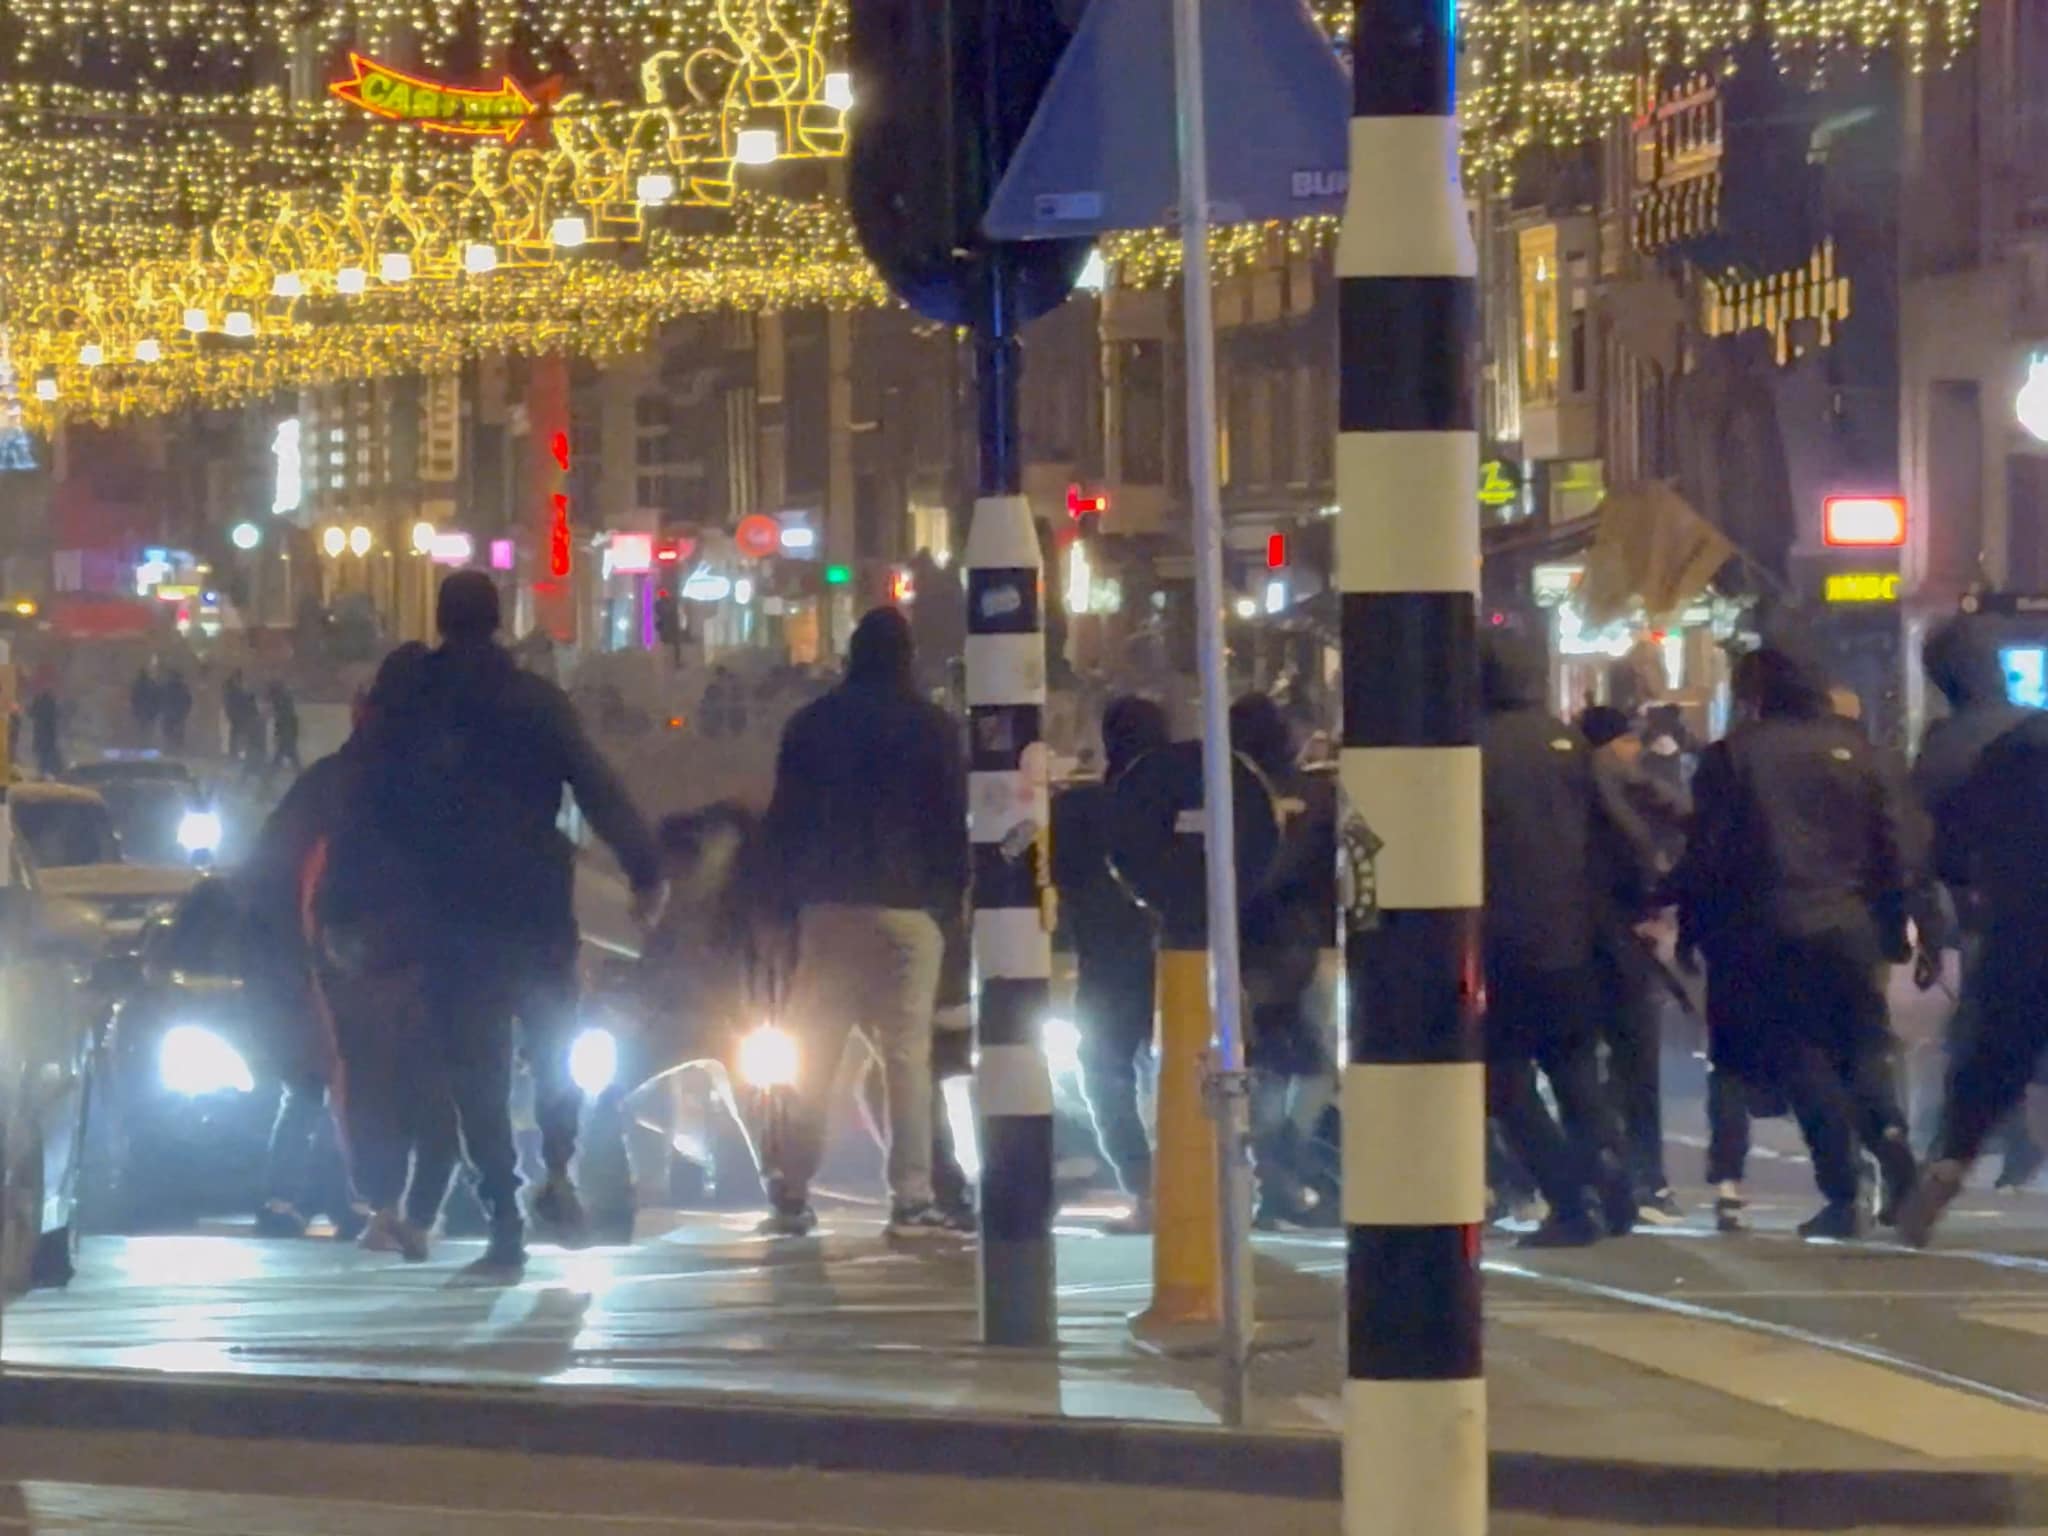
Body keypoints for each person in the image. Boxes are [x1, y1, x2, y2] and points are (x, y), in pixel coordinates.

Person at [344, 573, 666, 1280]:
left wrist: (362, 905)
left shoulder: (416, 708)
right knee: (555, 1049)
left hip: (451, 914)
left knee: (476, 1074)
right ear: (497, 622)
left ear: (440, 619)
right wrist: (645, 868)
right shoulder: (536, 703)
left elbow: (370, 806)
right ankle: (557, 1164)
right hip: (536, 908)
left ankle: (503, 1219)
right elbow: (597, 786)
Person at [1668, 644, 1917, 1241]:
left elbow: (1710, 854)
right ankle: (1893, 1148)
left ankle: (1842, 1190)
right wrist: (1897, 925)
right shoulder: (1863, 752)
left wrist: (1694, 928)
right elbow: (1896, 847)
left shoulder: (1734, 757)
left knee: (1802, 1056)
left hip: (1768, 926)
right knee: (1862, 1046)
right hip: (1850, 924)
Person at [753, 606, 968, 1240]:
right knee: (906, 1056)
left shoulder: (811, 725)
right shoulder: (933, 728)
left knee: (814, 1055)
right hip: (907, 909)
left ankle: (791, 1190)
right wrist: (948, 903)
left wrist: (778, 908)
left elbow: (783, 822)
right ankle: (910, 1198)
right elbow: (950, 822)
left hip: (826, 910)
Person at [1479, 632, 1636, 1249]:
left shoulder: (1469, 744)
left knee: (1507, 1081)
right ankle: (1614, 1185)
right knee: (1576, 1073)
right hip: (1572, 934)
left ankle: (1569, 1199)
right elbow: (1617, 834)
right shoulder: (1568, 743)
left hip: (1499, 937)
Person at [1899, 706, 2048, 1244]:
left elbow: (1952, 837)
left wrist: (1974, 886)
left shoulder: (2017, 747)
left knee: (1994, 1052)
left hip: (2025, 923)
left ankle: (1948, 1167)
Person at [1911, 618, 2040, 1191]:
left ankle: (1951, 1154)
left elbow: (1935, 847)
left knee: (1987, 1037)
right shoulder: (2033, 729)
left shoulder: (1947, 747)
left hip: (2007, 915)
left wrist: (1929, 923)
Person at [1051, 695, 1169, 1230]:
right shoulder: (1187, 801)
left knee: (1103, 1073)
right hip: (1184, 958)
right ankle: (1197, 1183)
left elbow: (1059, 877)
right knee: (1188, 1077)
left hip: (1107, 963)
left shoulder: (1080, 810)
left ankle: (1145, 1187)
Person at [1230, 691, 1340, 1228]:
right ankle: (1287, 1159)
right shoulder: (1317, 792)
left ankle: (1275, 1174)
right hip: (1311, 942)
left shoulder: (1231, 793)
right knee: (1315, 1064)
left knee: (1267, 1067)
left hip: (1249, 947)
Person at [1579, 704, 1688, 1220]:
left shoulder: (1571, 785)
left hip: (1579, 940)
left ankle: (1603, 1173)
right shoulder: (1614, 782)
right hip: (1621, 940)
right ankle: (1644, 1179)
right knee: (1635, 1063)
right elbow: (1668, 826)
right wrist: (1657, 898)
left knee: (1586, 1064)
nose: (1636, 751)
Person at [223, 671, 258, 768]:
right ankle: (239, 757)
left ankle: (235, 757)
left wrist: (231, 716)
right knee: (241, 738)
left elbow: (230, 706)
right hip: (242, 719)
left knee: (236, 738)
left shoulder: (234, 692)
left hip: (238, 719)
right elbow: (249, 705)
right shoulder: (239, 692)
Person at [270, 681, 303, 776]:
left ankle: (268, 779)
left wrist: (277, 734)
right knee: (293, 758)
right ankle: (302, 775)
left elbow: (280, 719)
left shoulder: (280, 701)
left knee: (281, 758)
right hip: (289, 733)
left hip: (286, 734)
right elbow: (291, 718)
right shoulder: (286, 700)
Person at [27, 687, 60, 779]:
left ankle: (42, 771)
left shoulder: (39, 701)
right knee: (46, 753)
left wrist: (28, 708)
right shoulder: (51, 702)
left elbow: (31, 713)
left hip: (41, 733)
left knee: (42, 753)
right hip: (48, 733)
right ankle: (46, 771)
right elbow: (56, 716)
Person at [160, 669, 193, 752]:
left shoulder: (167, 687)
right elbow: (188, 701)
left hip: (170, 713)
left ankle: (171, 749)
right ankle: (176, 750)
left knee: (169, 733)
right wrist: (185, 712)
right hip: (178, 714)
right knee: (177, 733)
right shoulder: (183, 688)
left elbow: (163, 699)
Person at [131, 663, 161, 745]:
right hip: (150, 711)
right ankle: (147, 742)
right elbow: (156, 697)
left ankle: (142, 742)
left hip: (142, 710)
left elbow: (134, 698)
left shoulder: (137, 684)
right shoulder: (151, 683)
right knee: (148, 728)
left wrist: (135, 709)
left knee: (142, 728)